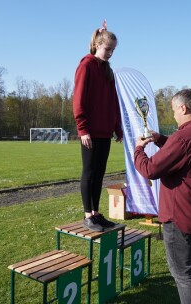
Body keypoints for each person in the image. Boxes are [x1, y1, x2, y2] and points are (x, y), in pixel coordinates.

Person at [134, 89, 191, 304]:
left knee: (183, 273)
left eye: (174, 110)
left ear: (183, 108)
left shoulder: (183, 136)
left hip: (181, 215)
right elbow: (185, 152)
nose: (173, 115)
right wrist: (160, 139)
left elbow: (150, 169)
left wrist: (138, 150)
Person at [73, 22, 123, 232]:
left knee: (100, 173)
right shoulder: (86, 65)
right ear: (96, 45)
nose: (110, 53)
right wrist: (83, 129)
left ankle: (95, 213)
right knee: (89, 172)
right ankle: (87, 215)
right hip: (90, 132)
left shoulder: (108, 71)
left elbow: (113, 101)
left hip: (104, 132)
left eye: (113, 50)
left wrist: (117, 127)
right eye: (107, 49)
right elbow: (79, 100)